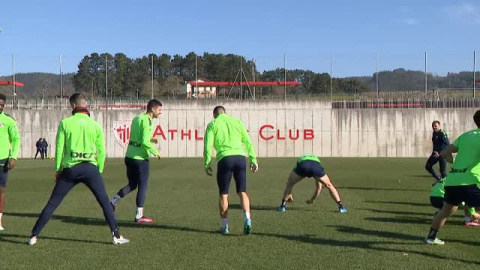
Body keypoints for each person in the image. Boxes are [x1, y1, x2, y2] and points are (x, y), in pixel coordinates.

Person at [28, 93, 129, 245]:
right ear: (85, 106)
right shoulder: (95, 125)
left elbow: (60, 148)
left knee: (52, 203)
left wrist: (58, 169)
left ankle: (34, 236)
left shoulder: (65, 123)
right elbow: (101, 151)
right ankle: (116, 236)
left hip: (70, 169)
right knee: (104, 202)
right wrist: (99, 170)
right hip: (90, 168)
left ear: (73, 106)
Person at [425, 110, 480, 245]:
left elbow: (447, 151)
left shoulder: (466, 136)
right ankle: (471, 216)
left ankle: (431, 237)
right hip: (471, 181)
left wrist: (448, 156)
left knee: (445, 211)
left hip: (452, 180)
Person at [204, 106, 258, 235]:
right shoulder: (237, 122)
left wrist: (207, 163)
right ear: (226, 113)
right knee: (242, 191)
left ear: (214, 115)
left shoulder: (213, 124)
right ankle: (248, 220)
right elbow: (247, 141)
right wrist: (253, 159)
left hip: (225, 158)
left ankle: (225, 226)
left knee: (224, 194)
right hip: (240, 158)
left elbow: (208, 145)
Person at [110, 99, 162, 223]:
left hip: (129, 157)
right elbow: (144, 142)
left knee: (132, 184)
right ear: (153, 109)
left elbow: (139, 137)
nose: (160, 113)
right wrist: (156, 152)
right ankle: (139, 215)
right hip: (140, 159)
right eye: (159, 110)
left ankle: (112, 202)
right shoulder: (148, 121)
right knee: (143, 185)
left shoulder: (137, 118)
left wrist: (152, 138)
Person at [277, 155, 347, 213]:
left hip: (303, 165)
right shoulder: (318, 163)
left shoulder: (301, 159)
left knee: (290, 183)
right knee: (329, 185)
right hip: (316, 168)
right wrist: (312, 200)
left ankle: (283, 206)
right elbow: (319, 187)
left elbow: (290, 179)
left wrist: (289, 193)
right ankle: (341, 207)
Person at [0, 93, 20, 231]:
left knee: (1, 190)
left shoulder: (8, 120)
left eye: (1, 104)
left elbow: (16, 139)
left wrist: (13, 157)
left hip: (3, 160)